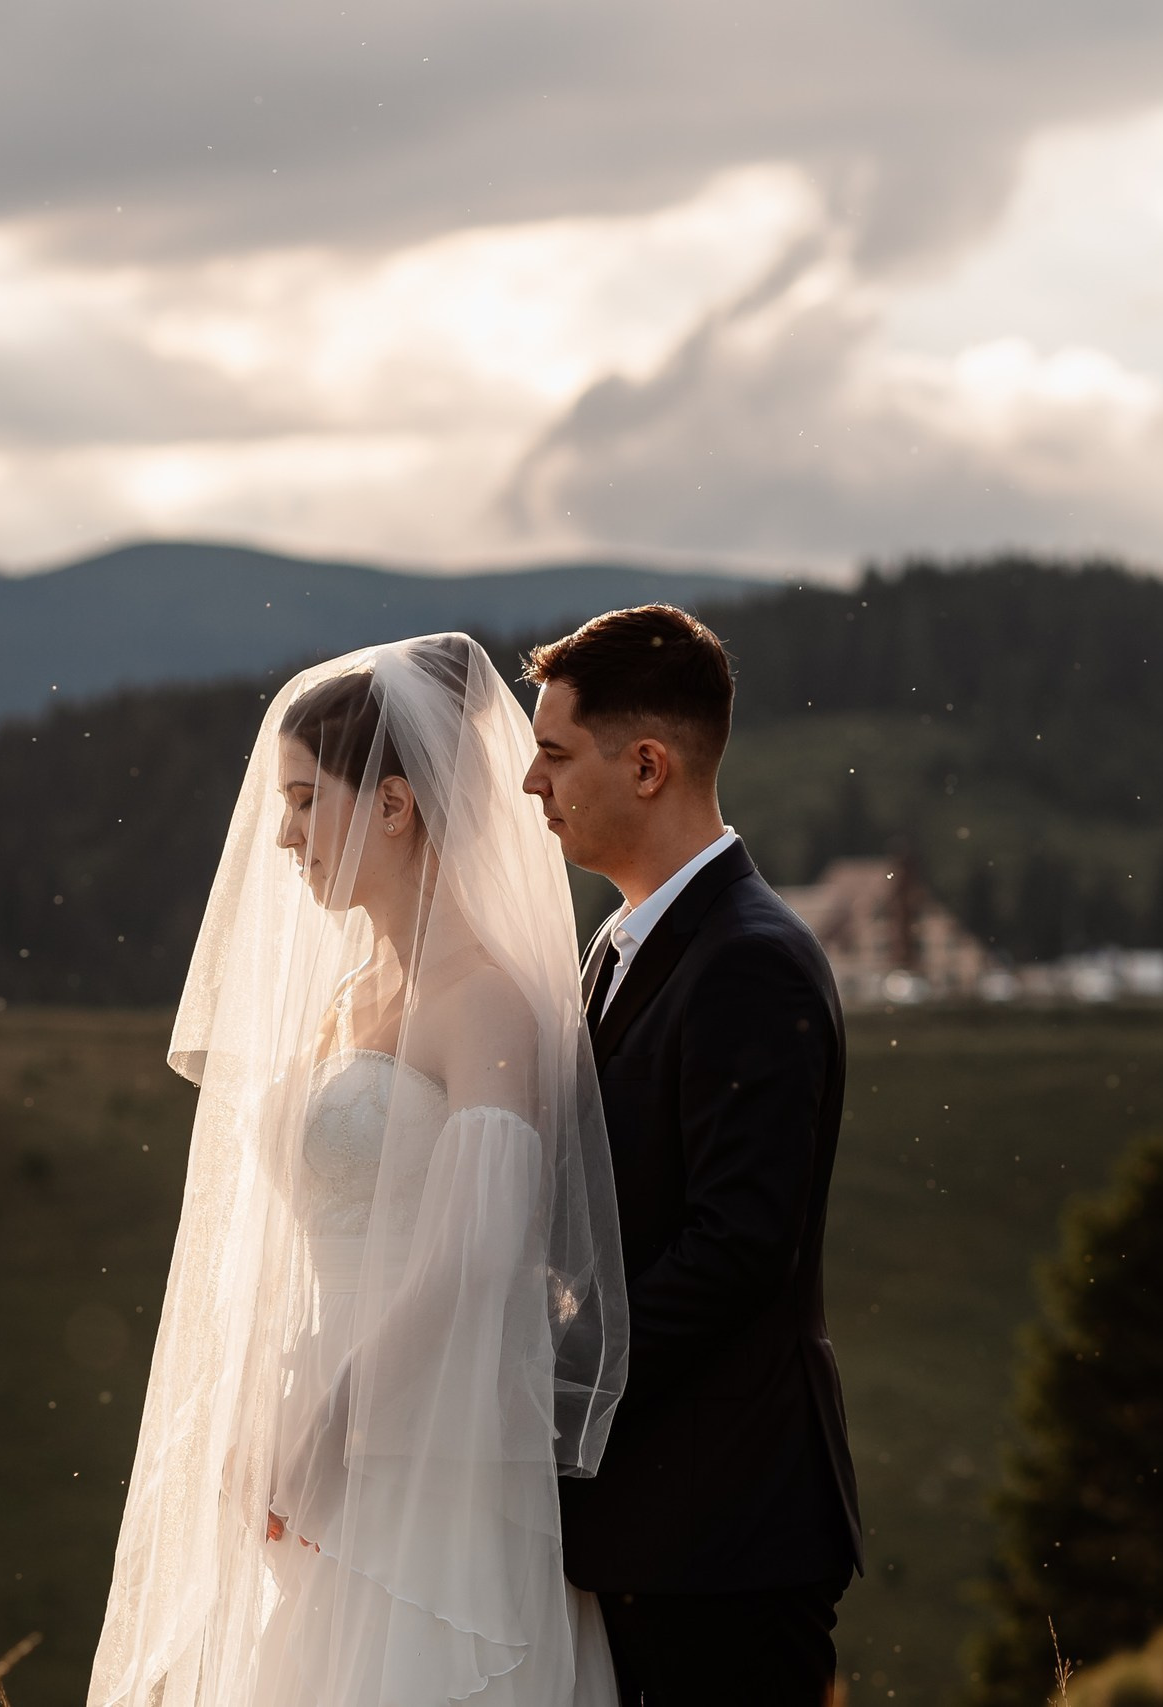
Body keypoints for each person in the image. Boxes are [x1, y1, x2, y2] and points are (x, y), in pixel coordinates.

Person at [89, 634, 628, 1707]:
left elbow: (476, 1254)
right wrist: (271, 1417)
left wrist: (339, 1423)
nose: (282, 836)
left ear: (392, 805)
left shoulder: (484, 998)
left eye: (303, 801)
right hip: (322, 1418)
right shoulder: (346, 998)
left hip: (434, 1437)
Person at [522, 605, 864, 1707]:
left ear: (650, 764)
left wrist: (536, 1379)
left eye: (555, 754)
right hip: (648, 1518)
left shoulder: (750, 961)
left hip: (725, 1529)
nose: (534, 786)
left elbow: (735, 1250)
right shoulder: (617, 949)